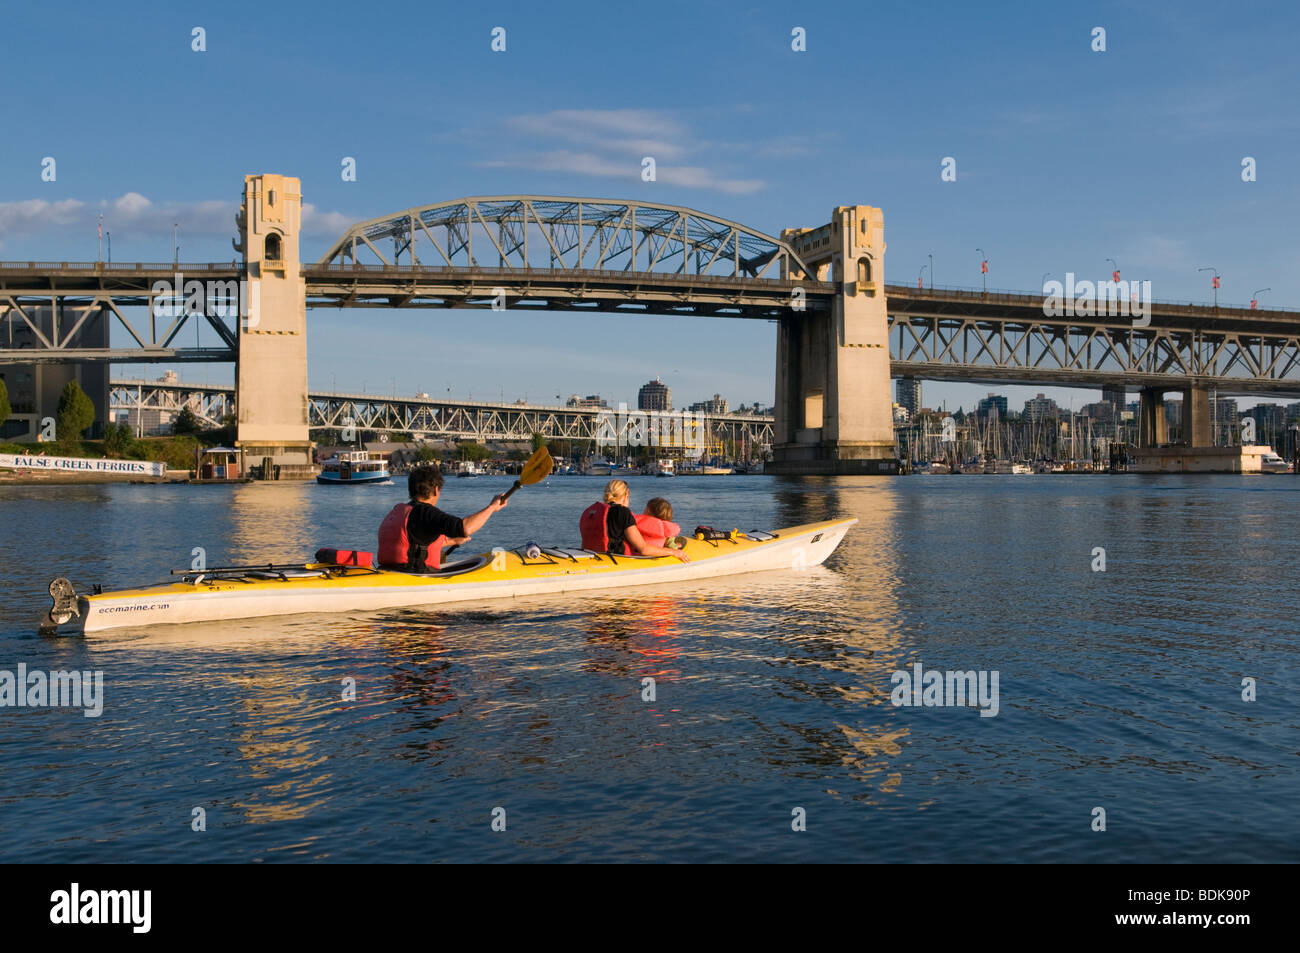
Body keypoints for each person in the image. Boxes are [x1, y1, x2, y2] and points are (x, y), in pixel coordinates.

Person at [378, 465, 507, 572]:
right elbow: (465, 528)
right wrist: (492, 507)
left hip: (388, 571)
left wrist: (452, 541)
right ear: (435, 490)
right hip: (415, 576)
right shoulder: (426, 512)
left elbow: (416, 541)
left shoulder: (399, 511)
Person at [579, 479, 689, 562]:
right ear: (626, 495)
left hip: (592, 556)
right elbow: (643, 549)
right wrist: (674, 552)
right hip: (615, 559)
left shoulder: (592, 511)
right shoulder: (623, 513)